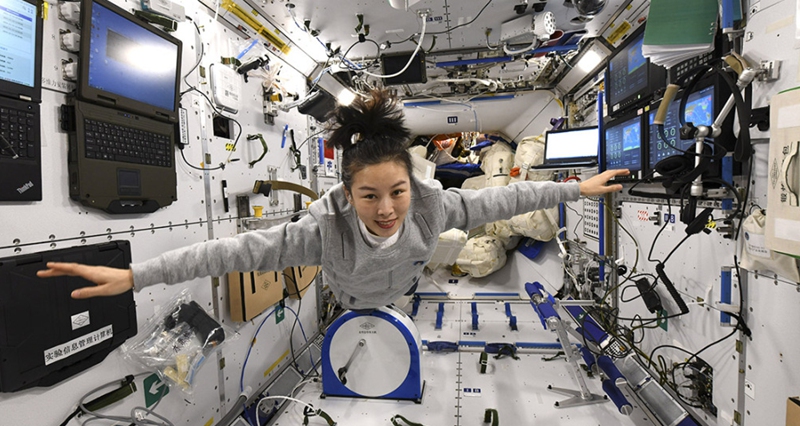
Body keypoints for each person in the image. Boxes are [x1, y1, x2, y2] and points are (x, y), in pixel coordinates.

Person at [38, 90, 628, 310]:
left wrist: (576, 187)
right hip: (350, 296)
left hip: (404, 287)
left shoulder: (432, 206)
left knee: (460, 240)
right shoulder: (321, 233)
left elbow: (506, 197)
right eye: (369, 196)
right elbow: (229, 254)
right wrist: (137, 276)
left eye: (396, 191)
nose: (387, 208)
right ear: (348, 193)